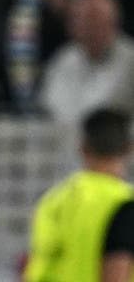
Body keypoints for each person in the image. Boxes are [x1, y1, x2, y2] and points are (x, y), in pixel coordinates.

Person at [25, 108, 134, 282]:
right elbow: (117, 273)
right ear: (129, 148)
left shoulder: (52, 201)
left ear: (83, 148)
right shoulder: (124, 204)